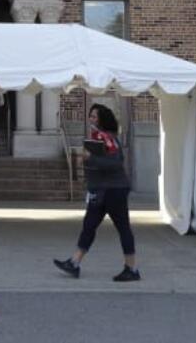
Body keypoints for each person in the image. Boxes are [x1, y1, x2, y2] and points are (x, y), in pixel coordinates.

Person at [53, 103, 140, 281]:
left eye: (94, 116)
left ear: (102, 119)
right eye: (90, 116)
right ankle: (74, 262)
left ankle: (131, 268)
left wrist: (91, 158)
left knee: (123, 228)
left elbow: (115, 163)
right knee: (89, 225)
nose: (90, 119)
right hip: (100, 190)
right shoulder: (98, 137)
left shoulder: (107, 138)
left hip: (114, 190)